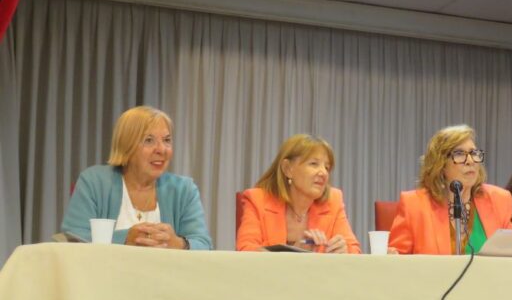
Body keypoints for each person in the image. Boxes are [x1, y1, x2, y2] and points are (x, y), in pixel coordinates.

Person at [61, 106, 213, 249]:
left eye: (167, 140)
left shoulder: (184, 189)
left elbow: (203, 244)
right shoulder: (94, 181)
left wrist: (178, 243)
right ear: (126, 146)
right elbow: (73, 238)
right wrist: (125, 238)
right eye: (149, 140)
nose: (161, 149)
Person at [388, 125, 512, 254]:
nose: (470, 161)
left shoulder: (499, 200)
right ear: (440, 164)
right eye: (459, 154)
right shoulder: (414, 205)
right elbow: (397, 261)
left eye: (474, 153)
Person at [237, 134, 361, 253]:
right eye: (314, 164)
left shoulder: (333, 200)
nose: (323, 173)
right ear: (288, 169)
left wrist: (345, 250)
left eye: (327, 167)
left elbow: (354, 251)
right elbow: (246, 251)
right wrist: (294, 253)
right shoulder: (257, 200)